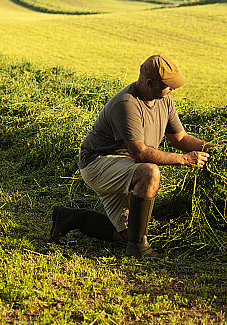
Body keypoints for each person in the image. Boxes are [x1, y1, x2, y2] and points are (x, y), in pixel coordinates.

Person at [50, 54, 213, 259]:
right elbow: (140, 153)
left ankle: (69, 217)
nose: (173, 89)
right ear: (149, 83)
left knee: (128, 233)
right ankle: (138, 249)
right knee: (149, 172)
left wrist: (213, 148)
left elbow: (180, 138)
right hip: (99, 162)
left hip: (125, 165)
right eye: (168, 85)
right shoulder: (127, 104)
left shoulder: (164, 100)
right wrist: (184, 159)